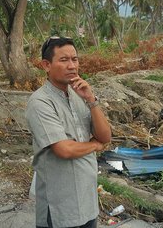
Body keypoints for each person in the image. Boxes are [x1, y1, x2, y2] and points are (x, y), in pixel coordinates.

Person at [25, 36, 112, 228]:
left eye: (75, 59)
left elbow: (105, 137)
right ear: (46, 65)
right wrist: (94, 145)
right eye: (64, 60)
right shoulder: (40, 102)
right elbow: (64, 150)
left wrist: (91, 99)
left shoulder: (79, 94)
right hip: (59, 206)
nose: (72, 66)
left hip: (87, 202)